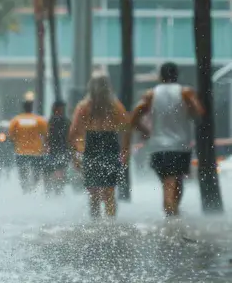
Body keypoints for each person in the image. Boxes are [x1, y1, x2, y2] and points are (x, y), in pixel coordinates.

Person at [130, 62, 203, 217]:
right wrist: (188, 108)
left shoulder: (151, 95)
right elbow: (199, 112)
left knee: (171, 182)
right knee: (172, 183)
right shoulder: (185, 93)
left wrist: (145, 131)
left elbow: (134, 117)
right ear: (177, 75)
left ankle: (173, 215)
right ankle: (172, 220)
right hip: (179, 146)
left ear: (160, 76)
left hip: (158, 146)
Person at [69, 73, 130, 218]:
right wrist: (125, 150)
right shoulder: (115, 106)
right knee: (109, 192)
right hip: (110, 146)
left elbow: (73, 134)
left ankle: (96, 227)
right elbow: (126, 128)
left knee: (94, 193)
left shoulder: (84, 107)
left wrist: (76, 154)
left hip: (92, 147)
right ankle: (110, 226)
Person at [8, 99, 48, 192]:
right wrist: (45, 146)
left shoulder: (16, 120)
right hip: (36, 152)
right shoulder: (39, 120)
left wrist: (16, 142)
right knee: (36, 175)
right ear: (31, 108)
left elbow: (11, 136)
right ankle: (33, 191)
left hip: (21, 152)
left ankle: (25, 191)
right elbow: (46, 135)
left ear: (23, 108)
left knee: (23, 175)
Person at [45, 101, 71, 195]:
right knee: (55, 171)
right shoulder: (56, 121)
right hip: (56, 150)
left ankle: (57, 191)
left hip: (61, 149)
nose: (62, 110)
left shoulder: (56, 121)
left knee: (58, 171)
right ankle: (55, 191)